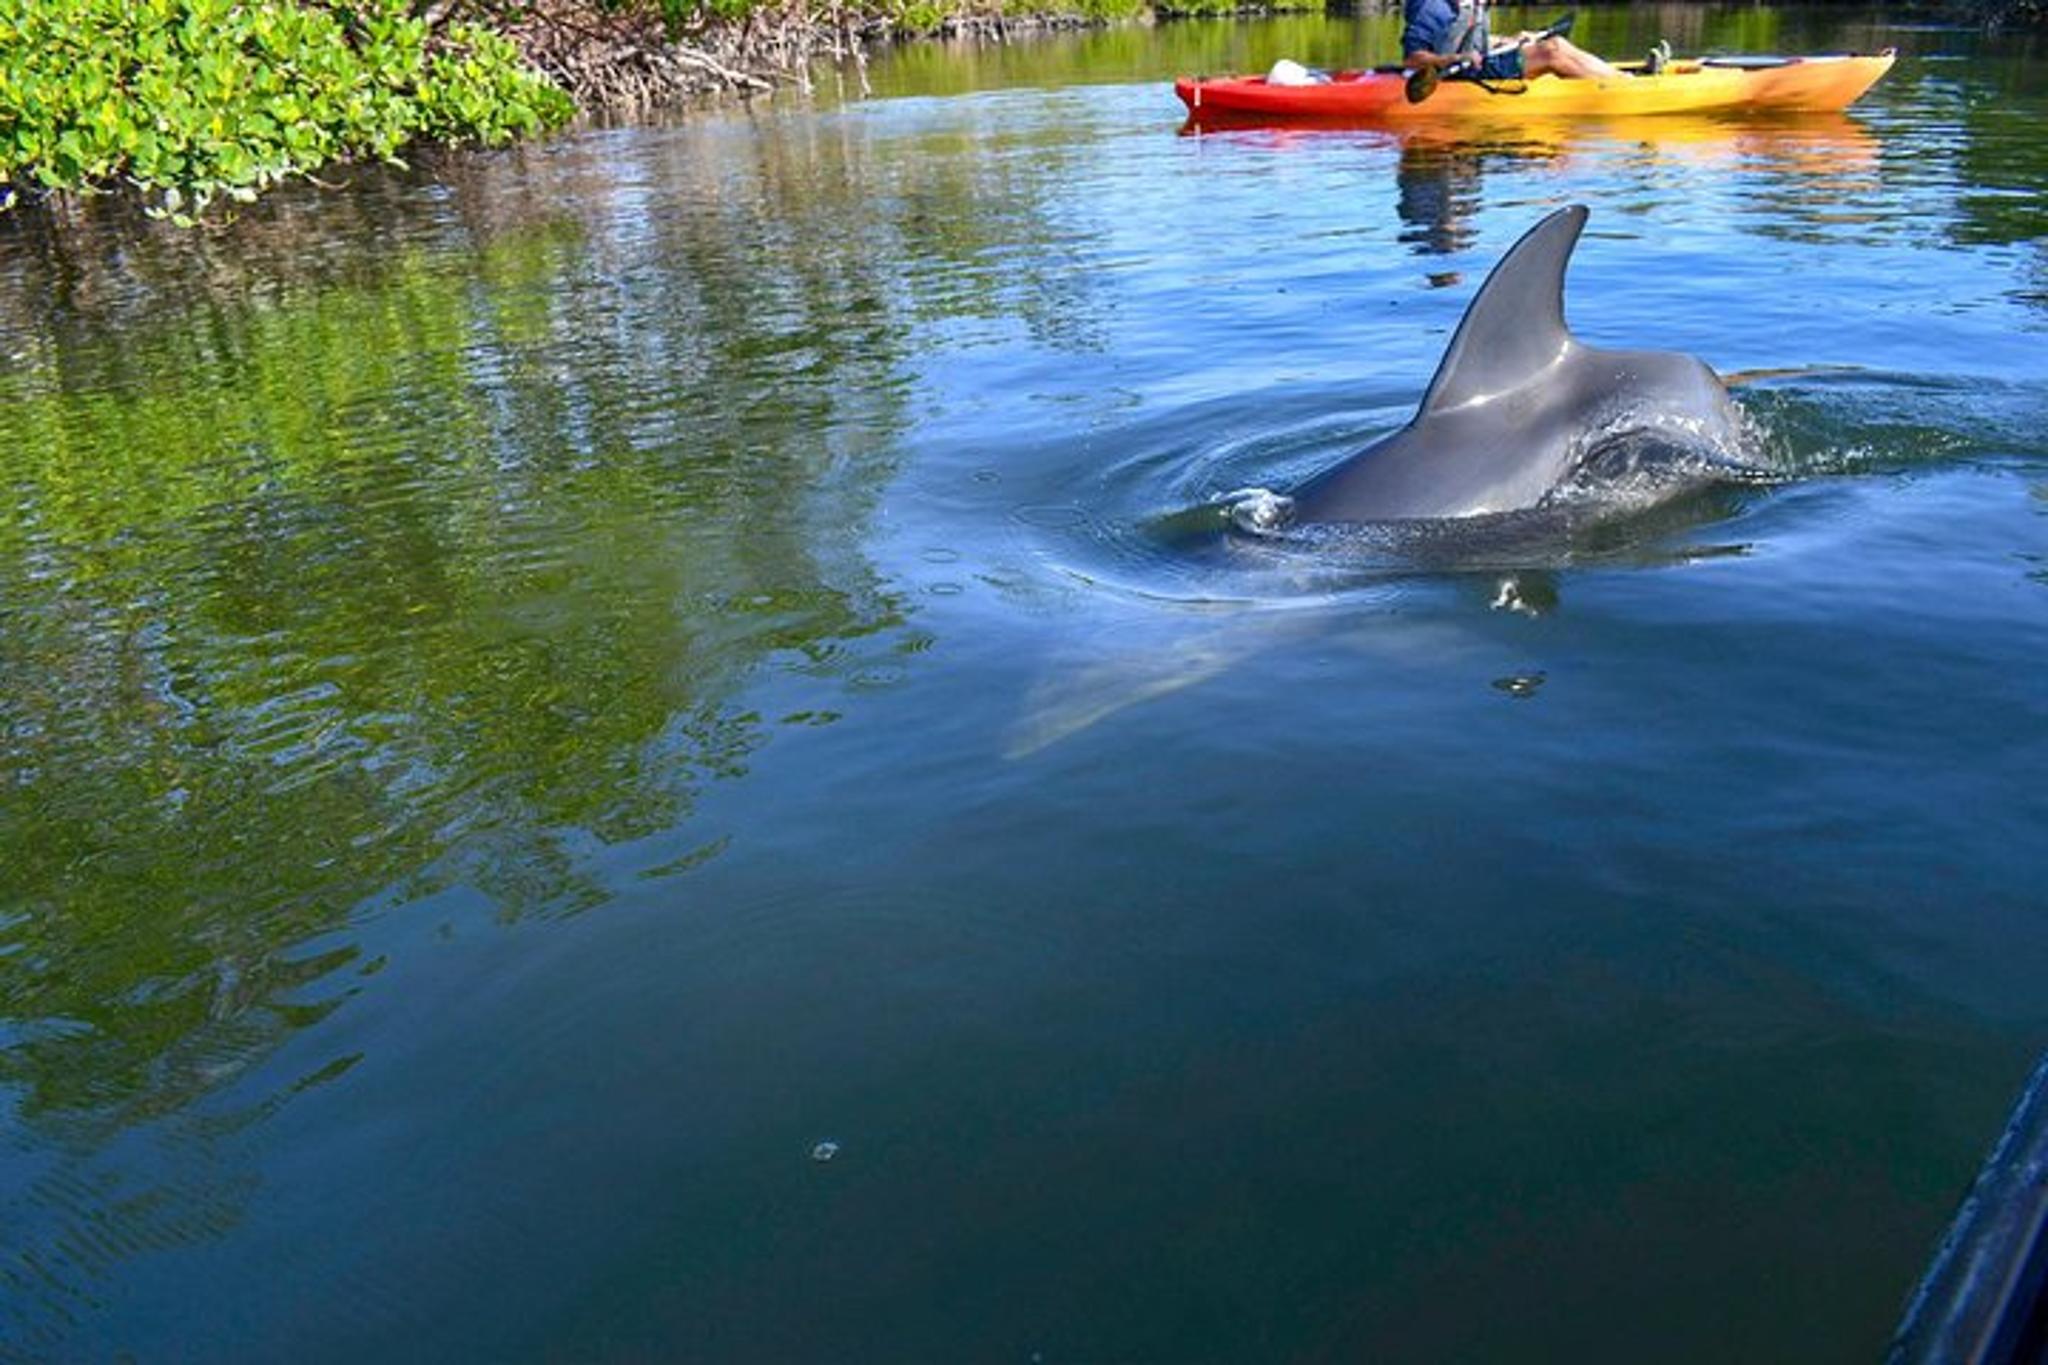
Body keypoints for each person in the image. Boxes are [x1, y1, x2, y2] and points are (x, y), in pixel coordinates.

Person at [1401, 0, 1644, 90]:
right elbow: (1412, 58)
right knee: (1553, 50)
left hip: (1477, 64)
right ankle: (1626, 87)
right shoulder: (1429, 5)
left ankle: (1620, 77)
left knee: (1554, 43)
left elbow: (1470, 38)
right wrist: (1454, 59)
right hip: (1456, 75)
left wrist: (1510, 40)